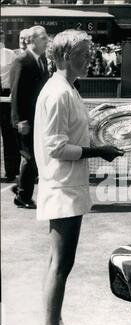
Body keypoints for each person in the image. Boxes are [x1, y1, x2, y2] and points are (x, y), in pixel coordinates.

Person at [34, 29, 124, 325]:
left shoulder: (67, 89)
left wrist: (97, 119)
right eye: (85, 52)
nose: (91, 57)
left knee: (61, 262)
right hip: (61, 187)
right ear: (64, 55)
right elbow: (56, 148)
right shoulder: (57, 93)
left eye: (91, 51)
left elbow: (71, 132)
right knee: (61, 264)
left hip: (69, 186)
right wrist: (98, 150)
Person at [10, 25, 49, 209]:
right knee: (30, 158)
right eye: (43, 38)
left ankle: (20, 186)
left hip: (38, 119)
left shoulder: (42, 60)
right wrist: (19, 120)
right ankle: (23, 197)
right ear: (31, 40)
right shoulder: (21, 61)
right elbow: (16, 93)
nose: (47, 40)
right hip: (26, 121)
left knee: (35, 157)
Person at [0, 29, 20, 182]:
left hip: (6, 96)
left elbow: (15, 76)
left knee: (9, 137)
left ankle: (11, 172)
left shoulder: (10, 54)